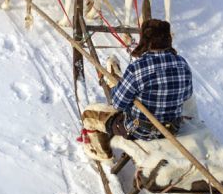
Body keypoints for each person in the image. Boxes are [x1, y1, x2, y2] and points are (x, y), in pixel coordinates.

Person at [80, 19, 194, 161]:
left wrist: (120, 89)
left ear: (145, 41)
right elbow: (187, 95)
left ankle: (103, 154)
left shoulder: (138, 68)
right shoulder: (182, 63)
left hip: (140, 131)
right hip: (172, 128)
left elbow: (117, 104)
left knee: (88, 115)